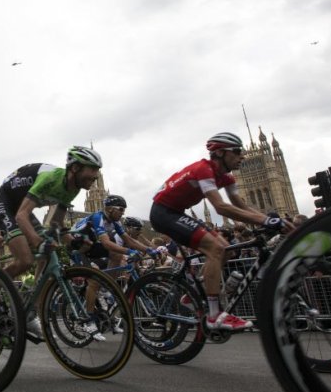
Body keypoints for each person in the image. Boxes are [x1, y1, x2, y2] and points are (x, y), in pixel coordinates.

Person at [150, 132, 293, 331]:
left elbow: (240, 205)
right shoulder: (204, 169)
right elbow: (221, 208)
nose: (241, 156)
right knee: (216, 248)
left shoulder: (226, 177)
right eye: (237, 152)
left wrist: (272, 219)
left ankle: (193, 293)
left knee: (228, 249)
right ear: (220, 153)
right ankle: (214, 315)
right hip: (163, 213)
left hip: (177, 212)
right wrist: (266, 219)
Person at [0, 145, 104, 340]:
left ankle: (29, 309)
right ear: (76, 168)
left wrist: (73, 241)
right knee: (26, 260)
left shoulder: (74, 189)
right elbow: (21, 216)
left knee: (47, 251)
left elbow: (56, 224)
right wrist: (37, 241)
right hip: (8, 204)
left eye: (98, 172)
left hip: (23, 207)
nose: (95, 176)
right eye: (92, 170)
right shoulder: (51, 178)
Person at [71, 195, 157, 339]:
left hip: (90, 246)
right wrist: (129, 251)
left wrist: (149, 250)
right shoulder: (99, 217)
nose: (123, 213)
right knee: (94, 281)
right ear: (110, 209)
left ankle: (106, 286)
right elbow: (106, 243)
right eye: (121, 210)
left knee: (115, 255)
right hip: (78, 249)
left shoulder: (114, 222)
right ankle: (88, 319)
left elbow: (128, 240)